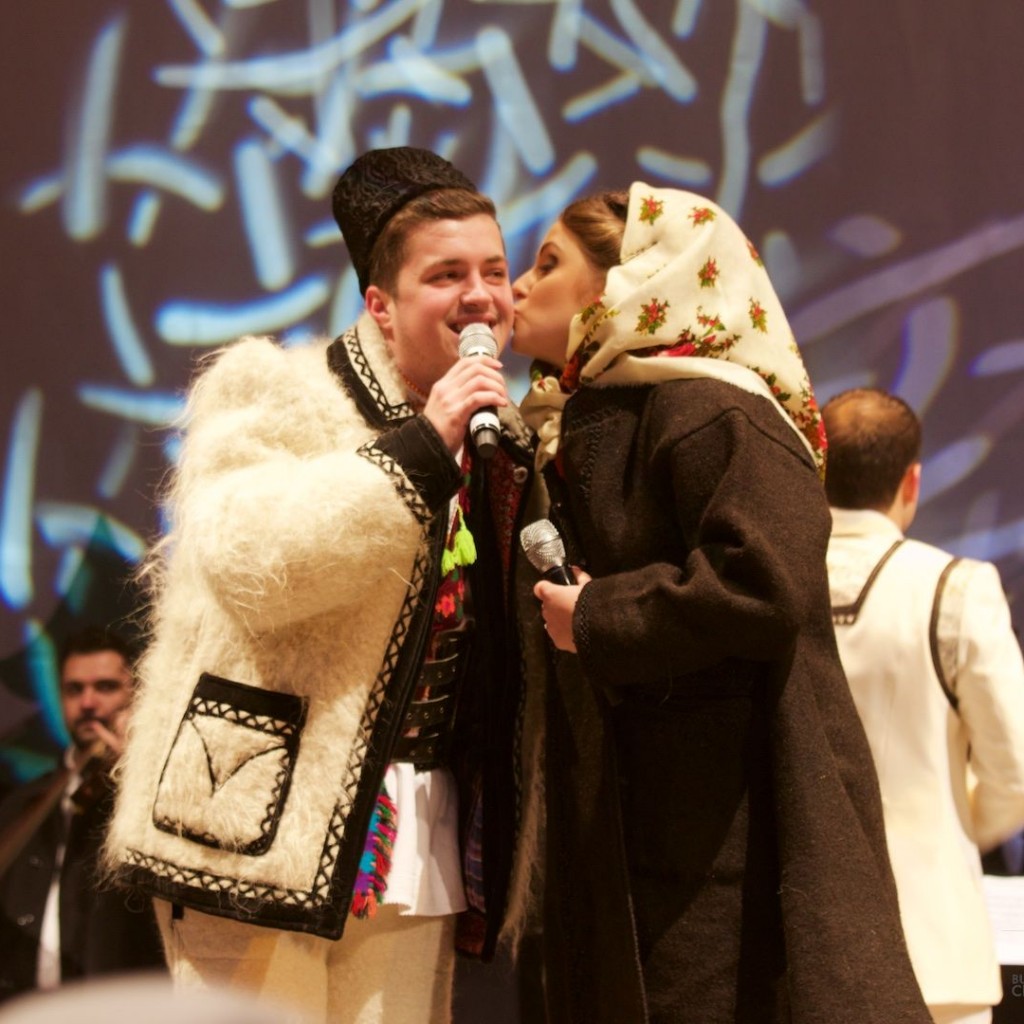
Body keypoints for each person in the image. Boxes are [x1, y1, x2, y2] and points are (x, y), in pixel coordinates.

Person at [102, 147, 537, 1024]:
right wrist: (422, 449)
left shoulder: (501, 435)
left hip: (418, 832)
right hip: (256, 829)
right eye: (446, 275)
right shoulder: (276, 391)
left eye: (494, 271)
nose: (480, 296)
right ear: (380, 305)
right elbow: (248, 562)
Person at [511, 184, 932, 1023]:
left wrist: (599, 617)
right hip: (653, 825)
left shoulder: (710, 405)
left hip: (725, 841)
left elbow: (764, 581)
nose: (520, 285)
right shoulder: (589, 416)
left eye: (548, 263)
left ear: (630, 283)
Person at [822, 387, 1024, 1024]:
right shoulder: (957, 588)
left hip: (802, 948)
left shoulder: (764, 585)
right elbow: (1016, 770)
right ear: (912, 481)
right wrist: (953, 828)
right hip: (934, 950)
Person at [0, 626, 165, 1003]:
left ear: (137, 695)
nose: (88, 702)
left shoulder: (157, 792)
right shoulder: (23, 803)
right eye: (74, 690)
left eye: (106, 687)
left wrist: (136, 776)